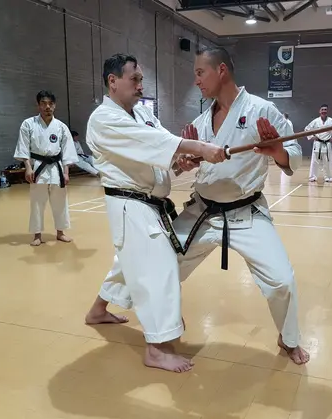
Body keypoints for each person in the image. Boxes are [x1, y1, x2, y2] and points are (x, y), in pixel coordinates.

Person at [95, 47, 310, 366]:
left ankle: (288, 339)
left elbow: (293, 153)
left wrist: (276, 150)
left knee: (282, 280)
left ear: (220, 70)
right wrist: (188, 161)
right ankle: (101, 304)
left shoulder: (262, 110)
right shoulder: (200, 123)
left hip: (246, 213)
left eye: (199, 73)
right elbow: (183, 156)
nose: (195, 80)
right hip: (204, 213)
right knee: (154, 260)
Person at [84, 53, 226, 373]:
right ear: (112, 81)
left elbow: (158, 153)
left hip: (149, 203)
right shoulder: (103, 119)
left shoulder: (143, 113)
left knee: (128, 262)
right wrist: (200, 148)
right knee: (159, 268)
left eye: (141, 79)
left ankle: (97, 310)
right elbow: (153, 141)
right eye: (134, 79)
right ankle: (157, 349)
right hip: (130, 205)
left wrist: (181, 162)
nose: (140, 85)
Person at [13, 90, 79, 246]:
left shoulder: (61, 126)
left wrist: (66, 171)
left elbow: (67, 150)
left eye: (50, 103)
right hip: (38, 166)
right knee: (37, 201)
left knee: (60, 201)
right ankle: (37, 235)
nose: (47, 107)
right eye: (43, 103)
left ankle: (60, 232)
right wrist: (28, 167)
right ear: (38, 105)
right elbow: (23, 147)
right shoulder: (28, 124)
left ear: (54, 105)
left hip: (56, 167)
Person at [305, 104, 332, 183]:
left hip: (327, 143)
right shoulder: (315, 121)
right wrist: (312, 137)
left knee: (327, 161)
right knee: (315, 162)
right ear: (319, 111)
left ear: (327, 111)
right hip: (317, 143)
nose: (324, 111)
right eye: (322, 110)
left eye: (325, 110)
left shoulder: (331, 121)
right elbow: (307, 129)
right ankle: (313, 177)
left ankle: (328, 177)